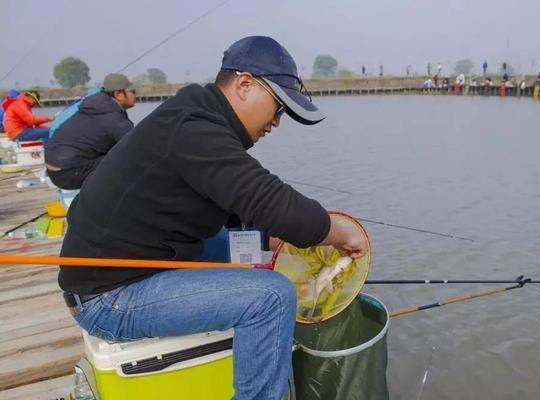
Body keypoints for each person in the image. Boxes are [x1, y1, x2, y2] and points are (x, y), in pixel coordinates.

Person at [58, 36, 367, 400]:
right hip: (108, 298)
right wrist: (338, 233)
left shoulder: (194, 115)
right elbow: (266, 197)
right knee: (272, 297)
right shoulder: (194, 127)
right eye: (278, 108)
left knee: (246, 246)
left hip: (141, 258)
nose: (276, 123)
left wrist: (275, 239)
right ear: (245, 84)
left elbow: (237, 204)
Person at [45, 74, 136, 190]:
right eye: (132, 91)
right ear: (119, 94)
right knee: (127, 159)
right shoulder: (114, 118)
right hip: (68, 173)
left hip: (54, 169)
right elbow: (137, 147)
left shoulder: (96, 106)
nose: (135, 95)